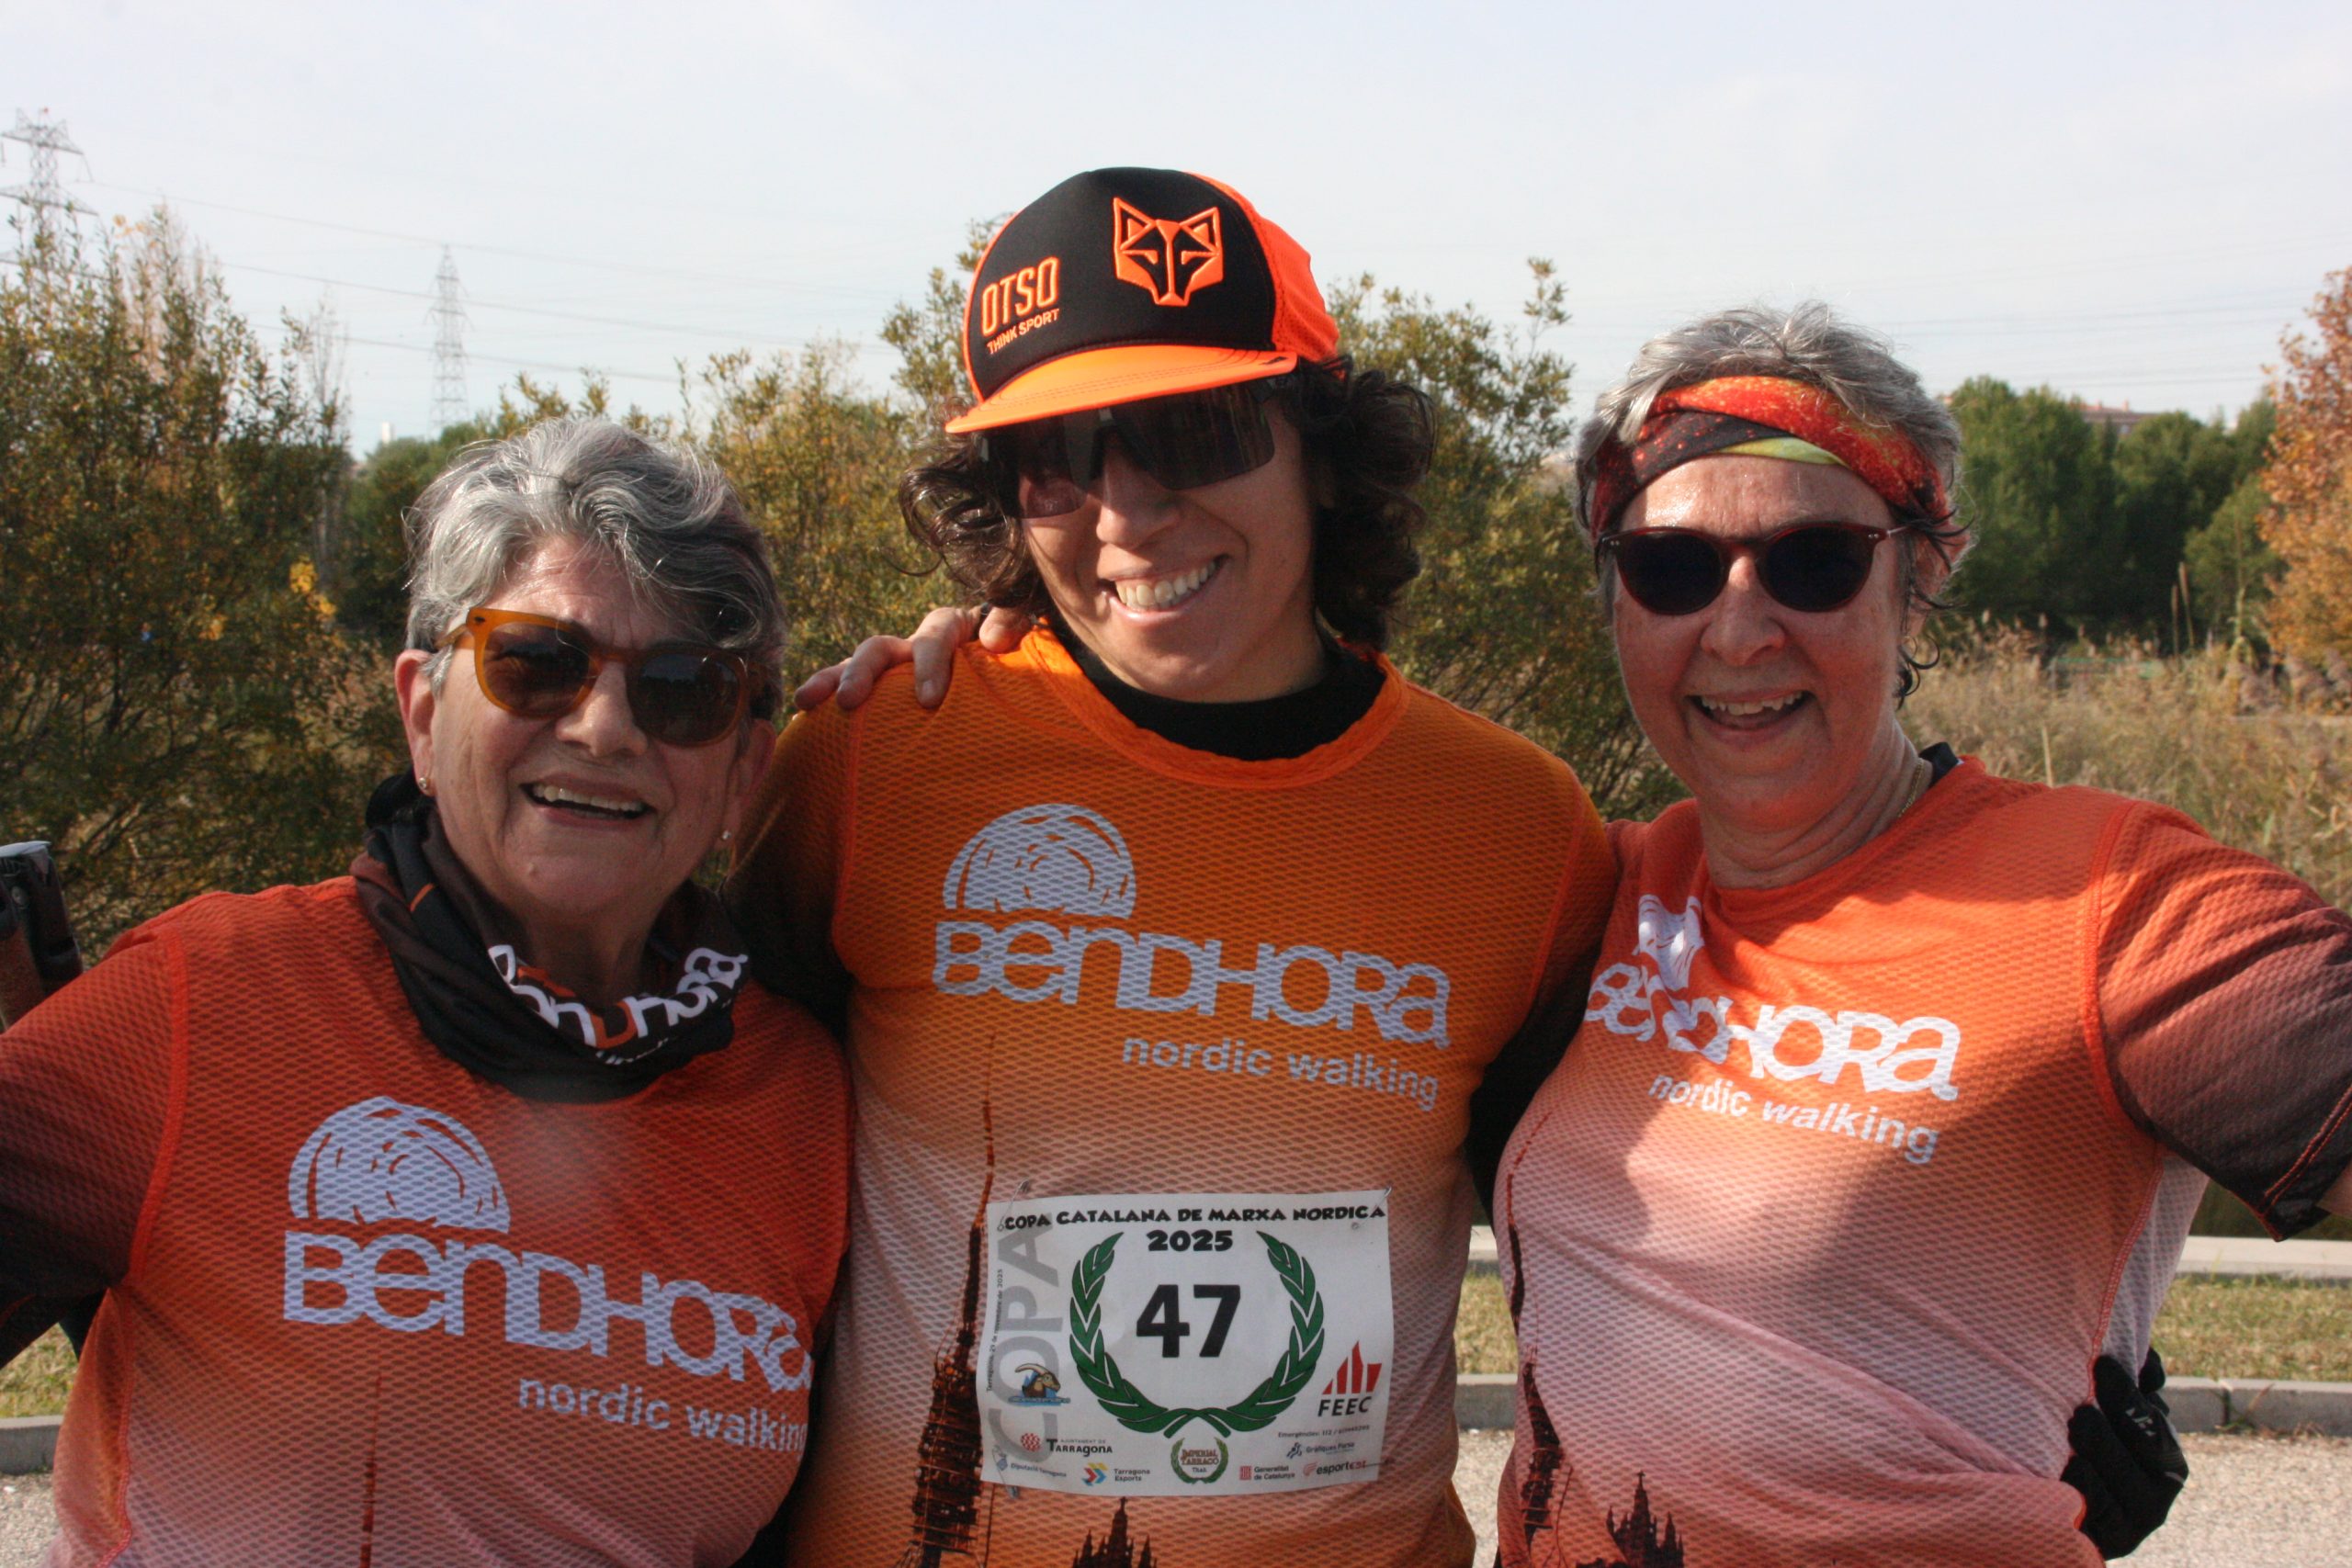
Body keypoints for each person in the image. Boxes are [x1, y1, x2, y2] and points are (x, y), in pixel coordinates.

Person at [724, 166, 1618, 1567]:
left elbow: (1636, 1261)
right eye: (1055, 459)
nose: (1127, 511)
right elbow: (695, 1141)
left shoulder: (1522, 828)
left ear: (1322, 449)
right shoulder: (875, 755)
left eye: (1194, 430)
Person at [1493, 305, 2352, 1566]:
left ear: (1921, 576)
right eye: (1671, 567)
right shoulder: (1603, 890)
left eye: (1814, 561)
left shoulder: (2108, 901)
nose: (1737, 627)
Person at [0, 418, 851, 1565]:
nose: (604, 728)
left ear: (745, 769)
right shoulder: (209, 1000)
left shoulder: (800, 1096)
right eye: (537, 663)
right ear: (421, 710)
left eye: (682, 692)